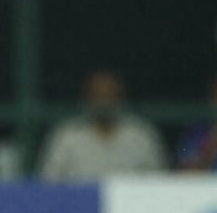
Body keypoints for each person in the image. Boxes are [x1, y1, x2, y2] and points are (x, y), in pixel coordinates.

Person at [35, 69, 168, 180]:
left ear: (120, 96)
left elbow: (158, 183)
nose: (104, 102)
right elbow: (48, 183)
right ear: (87, 97)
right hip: (77, 207)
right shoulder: (67, 136)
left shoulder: (141, 136)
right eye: (98, 95)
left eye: (109, 94)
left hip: (131, 207)